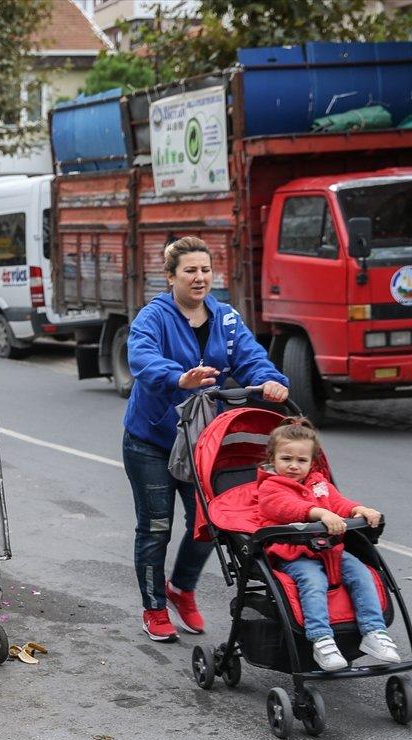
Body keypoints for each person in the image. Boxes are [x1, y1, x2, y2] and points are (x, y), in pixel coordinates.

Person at [123, 236, 289, 642]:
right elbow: (141, 357)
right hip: (151, 440)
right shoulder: (153, 317)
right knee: (156, 526)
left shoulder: (226, 318)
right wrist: (177, 377)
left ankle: (182, 589)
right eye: (190, 271)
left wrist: (271, 383)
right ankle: (154, 607)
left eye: (205, 270)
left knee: (210, 523)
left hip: (202, 441)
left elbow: (252, 359)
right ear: (170, 276)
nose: (200, 278)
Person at [257, 418, 399, 671]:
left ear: (312, 462)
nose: (293, 466)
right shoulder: (271, 486)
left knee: (362, 573)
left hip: (328, 550)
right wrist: (318, 513)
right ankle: (321, 639)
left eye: (301, 461)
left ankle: (373, 631)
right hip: (293, 554)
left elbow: (337, 502)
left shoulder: (319, 483)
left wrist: (358, 509)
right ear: (272, 458)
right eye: (286, 458)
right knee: (313, 582)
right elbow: (285, 507)